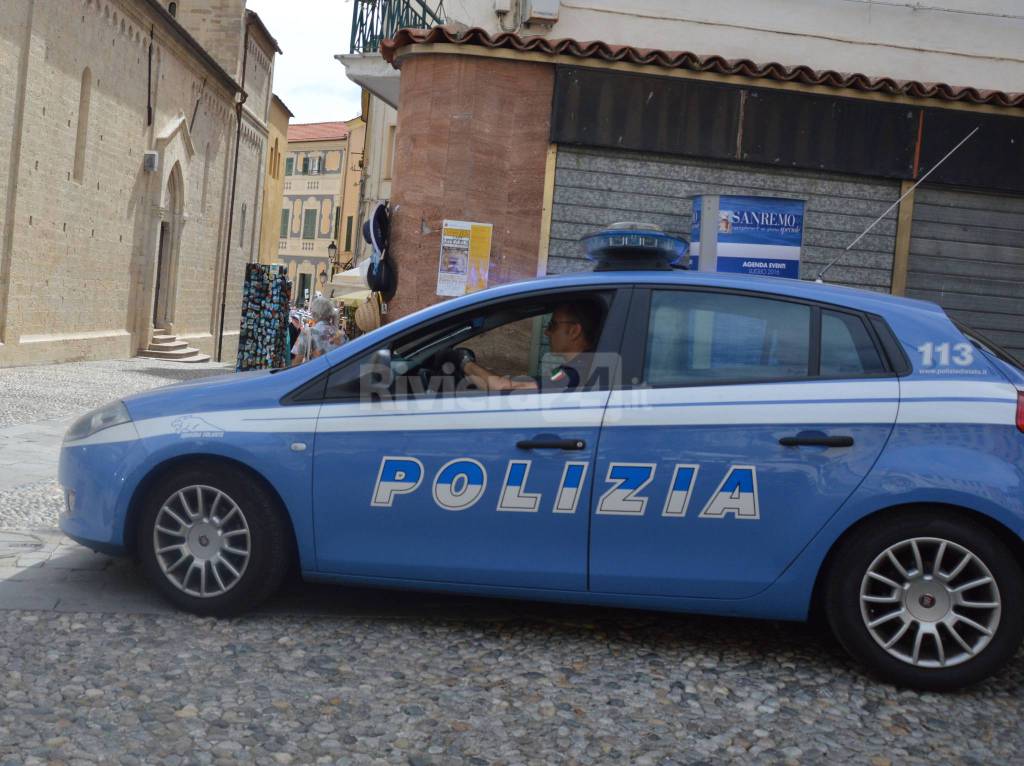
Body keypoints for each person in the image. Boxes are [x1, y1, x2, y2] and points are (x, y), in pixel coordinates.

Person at [453, 300, 601, 392]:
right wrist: (472, 376)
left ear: (574, 331)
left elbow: (507, 390)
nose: (546, 333)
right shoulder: (577, 367)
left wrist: (465, 362)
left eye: (552, 325)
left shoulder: (577, 373)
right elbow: (512, 387)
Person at [292, 296, 345, 364]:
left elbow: (296, 362)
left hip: (316, 373)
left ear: (314, 313)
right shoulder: (342, 335)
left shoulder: (307, 333)